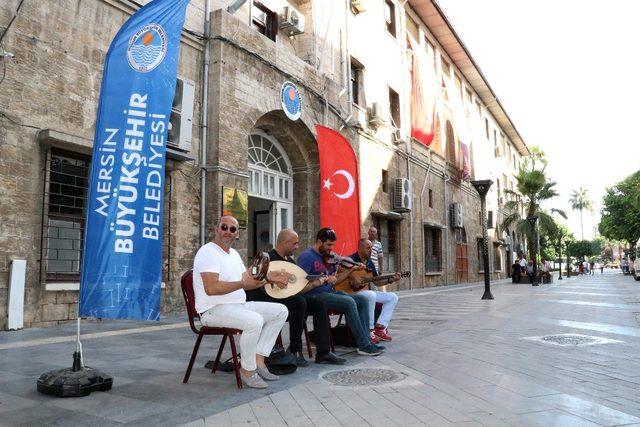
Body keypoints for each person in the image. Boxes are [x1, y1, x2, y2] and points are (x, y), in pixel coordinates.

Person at [193, 215, 290, 389]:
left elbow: (248, 278)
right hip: (212, 310)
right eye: (224, 227)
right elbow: (211, 288)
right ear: (216, 229)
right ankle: (247, 370)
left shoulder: (234, 254)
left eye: (232, 229)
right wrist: (242, 284)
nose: (227, 232)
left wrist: (269, 278)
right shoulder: (208, 252)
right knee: (255, 321)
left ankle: (259, 361)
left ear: (237, 234)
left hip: (237, 306)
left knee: (281, 311)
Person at [246, 229, 345, 366]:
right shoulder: (267, 258)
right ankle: (295, 349)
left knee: (318, 303)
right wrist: (270, 281)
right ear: (285, 243)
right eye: (295, 243)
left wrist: (314, 284)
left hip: (287, 299)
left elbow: (297, 290)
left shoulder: (291, 262)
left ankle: (323, 352)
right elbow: (253, 280)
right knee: (299, 302)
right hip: (267, 300)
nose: (297, 246)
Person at [297, 228, 383, 356]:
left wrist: (351, 270)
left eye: (333, 245)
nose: (331, 248)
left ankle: (366, 341)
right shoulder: (307, 256)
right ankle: (363, 345)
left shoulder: (328, 257)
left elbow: (335, 281)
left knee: (363, 299)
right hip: (314, 296)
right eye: (328, 245)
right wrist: (323, 281)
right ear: (319, 242)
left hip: (329, 293)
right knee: (348, 301)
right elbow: (300, 283)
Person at [350, 238, 399, 342]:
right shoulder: (351, 259)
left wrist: (390, 280)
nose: (371, 250)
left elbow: (377, 282)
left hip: (366, 292)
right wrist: (352, 277)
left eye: (371, 248)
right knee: (371, 295)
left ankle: (380, 328)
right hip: (352, 292)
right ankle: (369, 330)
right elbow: (341, 273)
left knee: (393, 297)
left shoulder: (370, 263)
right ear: (360, 248)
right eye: (368, 248)